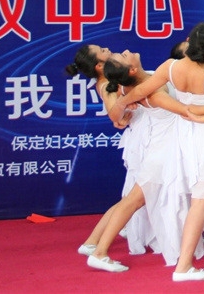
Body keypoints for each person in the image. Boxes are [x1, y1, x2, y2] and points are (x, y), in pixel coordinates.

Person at [86, 50, 202, 275]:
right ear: (131, 70)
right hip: (163, 152)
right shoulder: (149, 90)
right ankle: (99, 252)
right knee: (133, 200)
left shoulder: (132, 86)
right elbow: (184, 111)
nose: (126, 51)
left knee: (136, 200)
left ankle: (99, 250)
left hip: (167, 147)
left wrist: (122, 108)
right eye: (123, 56)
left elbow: (116, 115)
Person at [68, 44, 156, 259]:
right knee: (132, 197)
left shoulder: (112, 79)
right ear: (99, 66)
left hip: (145, 134)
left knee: (133, 196)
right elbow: (114, 114)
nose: (107, 48)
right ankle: (93, 242)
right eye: (102, 50)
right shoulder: (107, 84)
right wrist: (122, 113)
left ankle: (97, 240)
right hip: (143, 139)